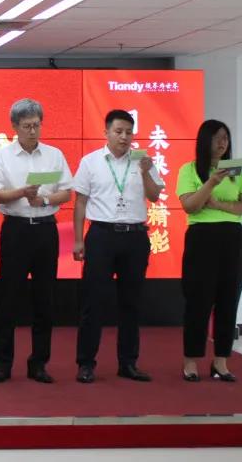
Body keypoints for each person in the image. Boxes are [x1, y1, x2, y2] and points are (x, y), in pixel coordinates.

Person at [0, 98, 73, 384]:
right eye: (27, 126)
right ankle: (2, 363)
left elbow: (66, 192)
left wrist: (44, 199)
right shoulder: (2, 157)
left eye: (37, 125)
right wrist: (21, 193)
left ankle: (39, 363)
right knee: (8, 299)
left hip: (45, 230)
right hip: (16, 231)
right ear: (14, 127)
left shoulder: (54, 155)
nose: (33, 131)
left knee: (44, 299)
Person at [72, 109, 164, 384]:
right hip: (101, 235)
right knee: (93, 302)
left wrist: (146, 172)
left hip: (135, 237)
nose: (124, 137)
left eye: (128, 132)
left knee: (131, 303)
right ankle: (86, 363)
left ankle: (128, 363)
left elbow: (155, 195)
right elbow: (80, 202)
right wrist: (78, 239)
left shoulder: (143, 161)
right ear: (106, 132)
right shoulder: (90, 162)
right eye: (118, 131)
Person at [176, 119, 242, 382]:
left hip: (233, 238)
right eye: (217, 137)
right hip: (201, 239)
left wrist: (219, 205)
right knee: (198, 301)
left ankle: (221, 361)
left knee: (229, 299)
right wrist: (210, 183)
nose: (222, 143)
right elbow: (190, 206)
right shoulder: (189, 170)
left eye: (226, 138)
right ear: (204, 140)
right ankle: (191, 361)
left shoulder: (236, 171)